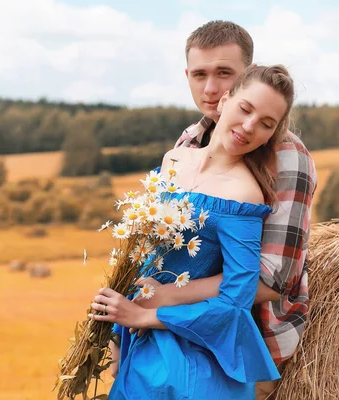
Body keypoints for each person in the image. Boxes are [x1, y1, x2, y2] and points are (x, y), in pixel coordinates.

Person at [109, 21, 317, 400]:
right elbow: (158, 249)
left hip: (244, 346)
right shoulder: (186, 144)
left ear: (246, 73)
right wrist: (121, 323)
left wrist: (161, 300)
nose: (210, 88)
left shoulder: (287, 160)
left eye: (224, 73)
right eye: (200, 74)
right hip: (158, 333)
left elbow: (269, 281)